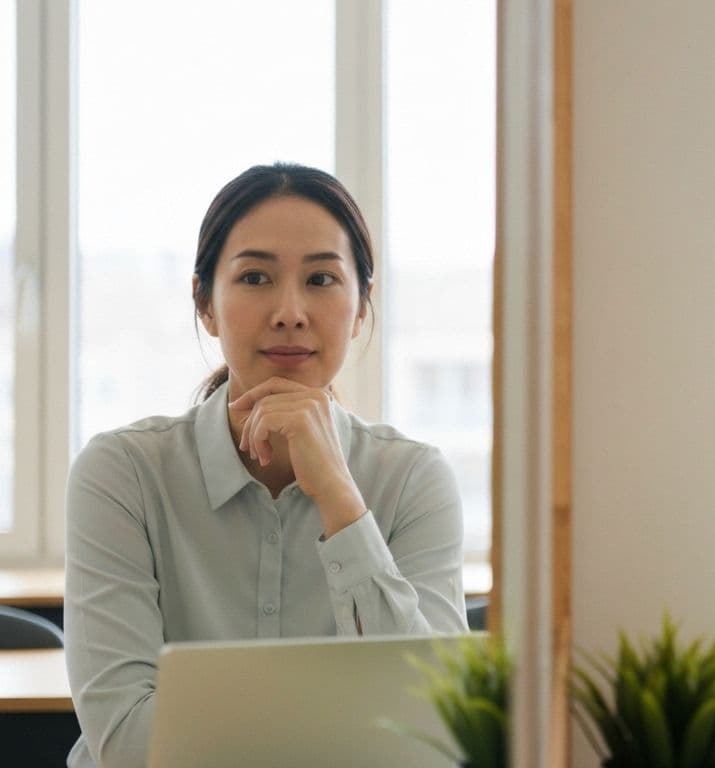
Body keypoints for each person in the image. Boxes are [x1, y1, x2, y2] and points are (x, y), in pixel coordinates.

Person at [63, 164, 469, 768]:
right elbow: (127, 741)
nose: (289, 311)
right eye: (255, 276)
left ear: (361, 308)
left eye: (322, 279)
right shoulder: (121, 474)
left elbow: (437, 733)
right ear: (205, 303)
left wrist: (340, 499)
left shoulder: (413, 480)